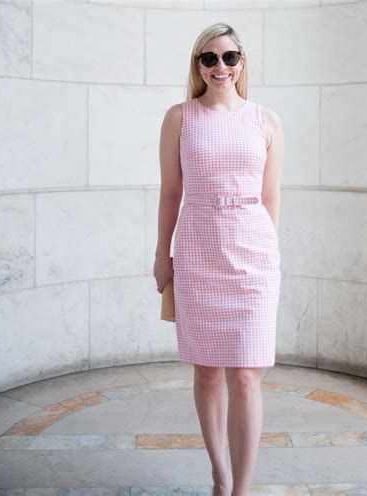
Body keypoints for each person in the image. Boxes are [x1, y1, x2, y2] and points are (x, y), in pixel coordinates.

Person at [153, 22, 284, 496]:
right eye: (209, 58)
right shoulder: (180, 118)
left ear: (241, 63)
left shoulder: (265, 121)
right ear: (198, 66)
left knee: (246, 375)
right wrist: (161, 255)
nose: (220, 67)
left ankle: (242, 489)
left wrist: (270, 251)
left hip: (253, 254)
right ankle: (219, 474)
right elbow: (171, 192)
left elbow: (270, 198)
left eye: (229, 57)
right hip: (198, 249)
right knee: (207, 368)